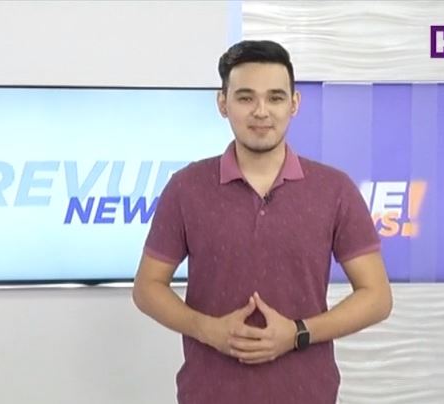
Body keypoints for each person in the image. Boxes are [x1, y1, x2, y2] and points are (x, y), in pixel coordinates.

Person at [132, 39, 392, 404]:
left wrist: (298, 333)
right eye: (245, 98)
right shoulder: (186, 188)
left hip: (307, 394)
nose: (261, 111)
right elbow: (147, 287)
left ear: (294, 104)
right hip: (209, 394)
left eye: (275, 97)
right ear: (222, 103)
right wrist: (208, 330)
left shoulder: (334, 189)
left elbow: (377, 296)